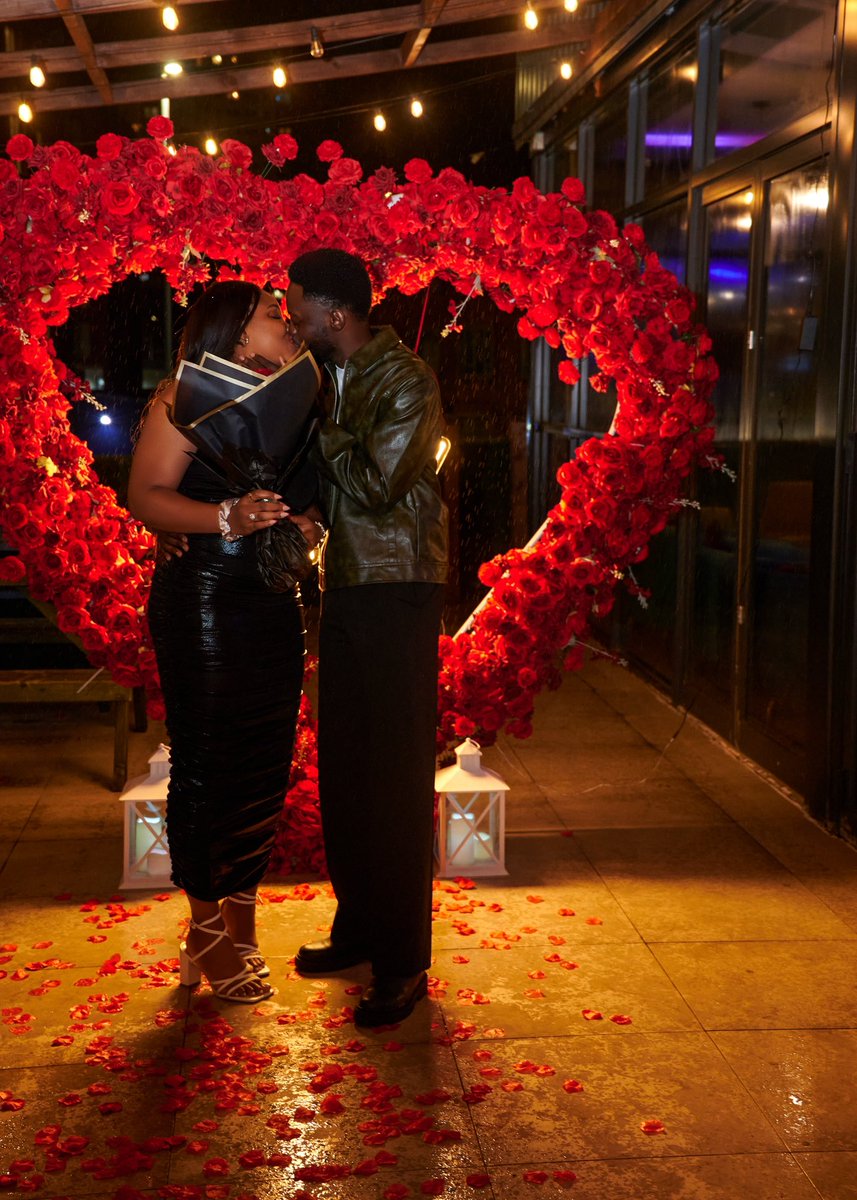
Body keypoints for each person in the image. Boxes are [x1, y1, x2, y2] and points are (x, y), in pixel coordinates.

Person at [128, 281, 323, 1003]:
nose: (289, 324)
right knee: (209, 763)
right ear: (238, 334)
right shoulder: (182, 394)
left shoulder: (300, 396)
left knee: (264, 764)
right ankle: (206, 929)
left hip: (272, 600)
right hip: (204, 597)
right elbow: (145, 495)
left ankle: (241, 926)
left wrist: (306, 525)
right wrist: (226, 518)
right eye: (275, 316)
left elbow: (307, 496)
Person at [285, 248, 449, 1027]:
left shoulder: (405, 381)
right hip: (346, 587)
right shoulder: (334, 378)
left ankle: (403, 962)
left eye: (298, 305)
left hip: (399, 588)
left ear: (334, 313)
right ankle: (357, 932)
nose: (291, 316)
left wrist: (321, 423)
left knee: (394, 779)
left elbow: (380, 484)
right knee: (345, 771)